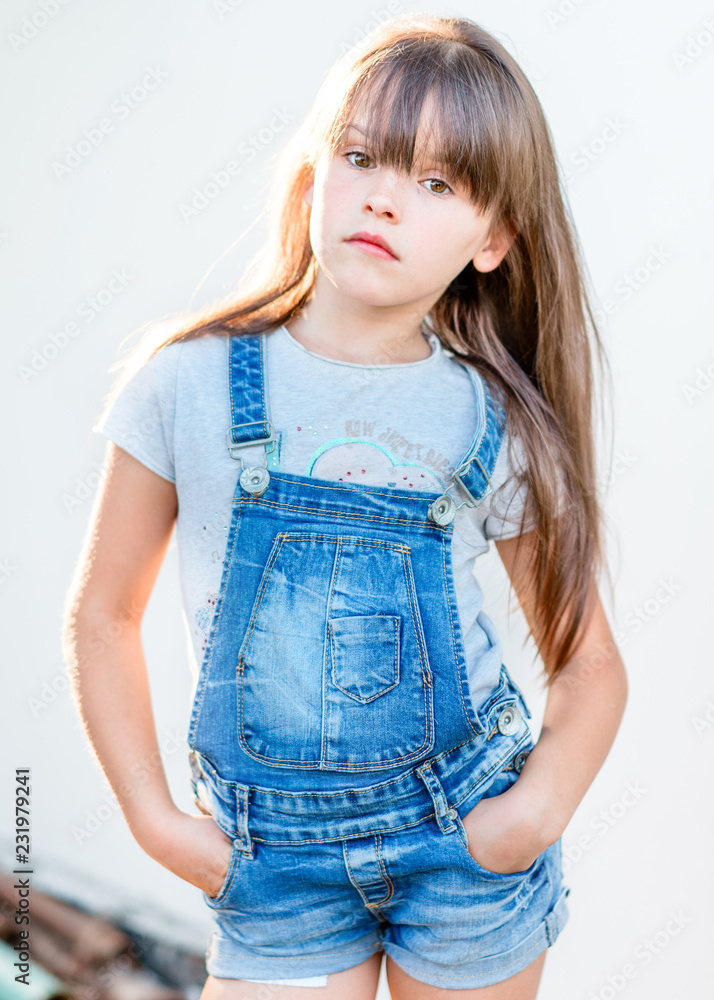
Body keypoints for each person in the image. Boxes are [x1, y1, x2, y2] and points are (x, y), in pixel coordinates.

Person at [62, 12, 628, 1000]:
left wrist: (527, 817)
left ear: (493, 238)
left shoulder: (490, 421)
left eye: (438, 181)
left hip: (463, 849)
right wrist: (157, 821)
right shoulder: (185, 384)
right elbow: (102, 614)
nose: (385, 199)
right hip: (272, 864)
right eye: (362, 155)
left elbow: (589, 666)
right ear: (313, 172)